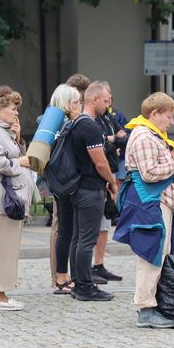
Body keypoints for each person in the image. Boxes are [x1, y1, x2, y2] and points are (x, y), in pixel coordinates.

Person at [115, 92, 174, 328]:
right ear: (154, 114)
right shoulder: (143, 137)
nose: (171, 122)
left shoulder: (150, 135)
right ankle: (145, 308)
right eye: (168, 117)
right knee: (151, 254)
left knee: (158, 253)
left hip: (156, 200)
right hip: (150, 201)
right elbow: (149, 173)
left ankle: (155, 304)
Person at [0, 86, 34, 310]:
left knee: (8, 247)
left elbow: (15, 153)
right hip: (2, 196)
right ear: (0, 109)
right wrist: (20, 162)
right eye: (12, 109)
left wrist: (17, 137)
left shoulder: (2, 129)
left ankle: (1, 291)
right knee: (4, 247)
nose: (16, 113)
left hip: (8, 195)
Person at [68, 83, 118, 302]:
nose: (108, 106)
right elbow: (100, 162)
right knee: (87, 240)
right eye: (106, 101)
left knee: (78, 238)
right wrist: (112, 181)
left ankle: (78, 285)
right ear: (94, 99)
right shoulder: (90, 126)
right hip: (90, 188)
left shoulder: (76, 122)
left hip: (78, 186)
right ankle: (86, 287)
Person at [47, 74, 90, 288]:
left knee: (68, 229)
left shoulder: (55, 121)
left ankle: (64, 275)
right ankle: (62, 276)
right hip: (66, 180)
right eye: (76, 102)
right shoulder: (63, 123)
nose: (79, 105)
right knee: (66, 229)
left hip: (62, 180)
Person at [91, 81, 125, 284]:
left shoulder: (109, 117)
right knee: (92, 225)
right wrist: (112, 140)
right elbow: (103, 142)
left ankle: (99, 264)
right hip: (100, 175)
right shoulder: (93, 120)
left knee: (105, 224)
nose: (109, 101)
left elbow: (123, 137)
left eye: (110, 97)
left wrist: (114, 140)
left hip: (111, 169)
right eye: (106, 98)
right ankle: (87, 269)